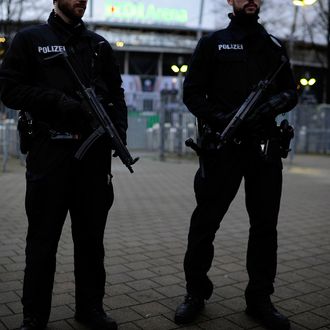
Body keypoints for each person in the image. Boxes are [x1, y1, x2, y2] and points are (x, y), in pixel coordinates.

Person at [0, 0, 128, 329]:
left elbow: (116, 94)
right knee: (42, 242)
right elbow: (9, 89)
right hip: (50, 155)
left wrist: (118, 133)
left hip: (93, 160)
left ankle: (90, 309)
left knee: (91, 242)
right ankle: (34, 315)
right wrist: (57, 102)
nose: (81, 1)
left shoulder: (98, 45)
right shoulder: (30, 39)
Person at [174, 1, 297, 329]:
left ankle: (260, 298)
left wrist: (272, 103)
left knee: (264, 227)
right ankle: (195, 293)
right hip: (222, 146)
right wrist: (220, 118)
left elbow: (291, 91)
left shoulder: (273, 46)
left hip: (264, 149)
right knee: (205, 224)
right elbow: (192, 94)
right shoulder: (212, 43)